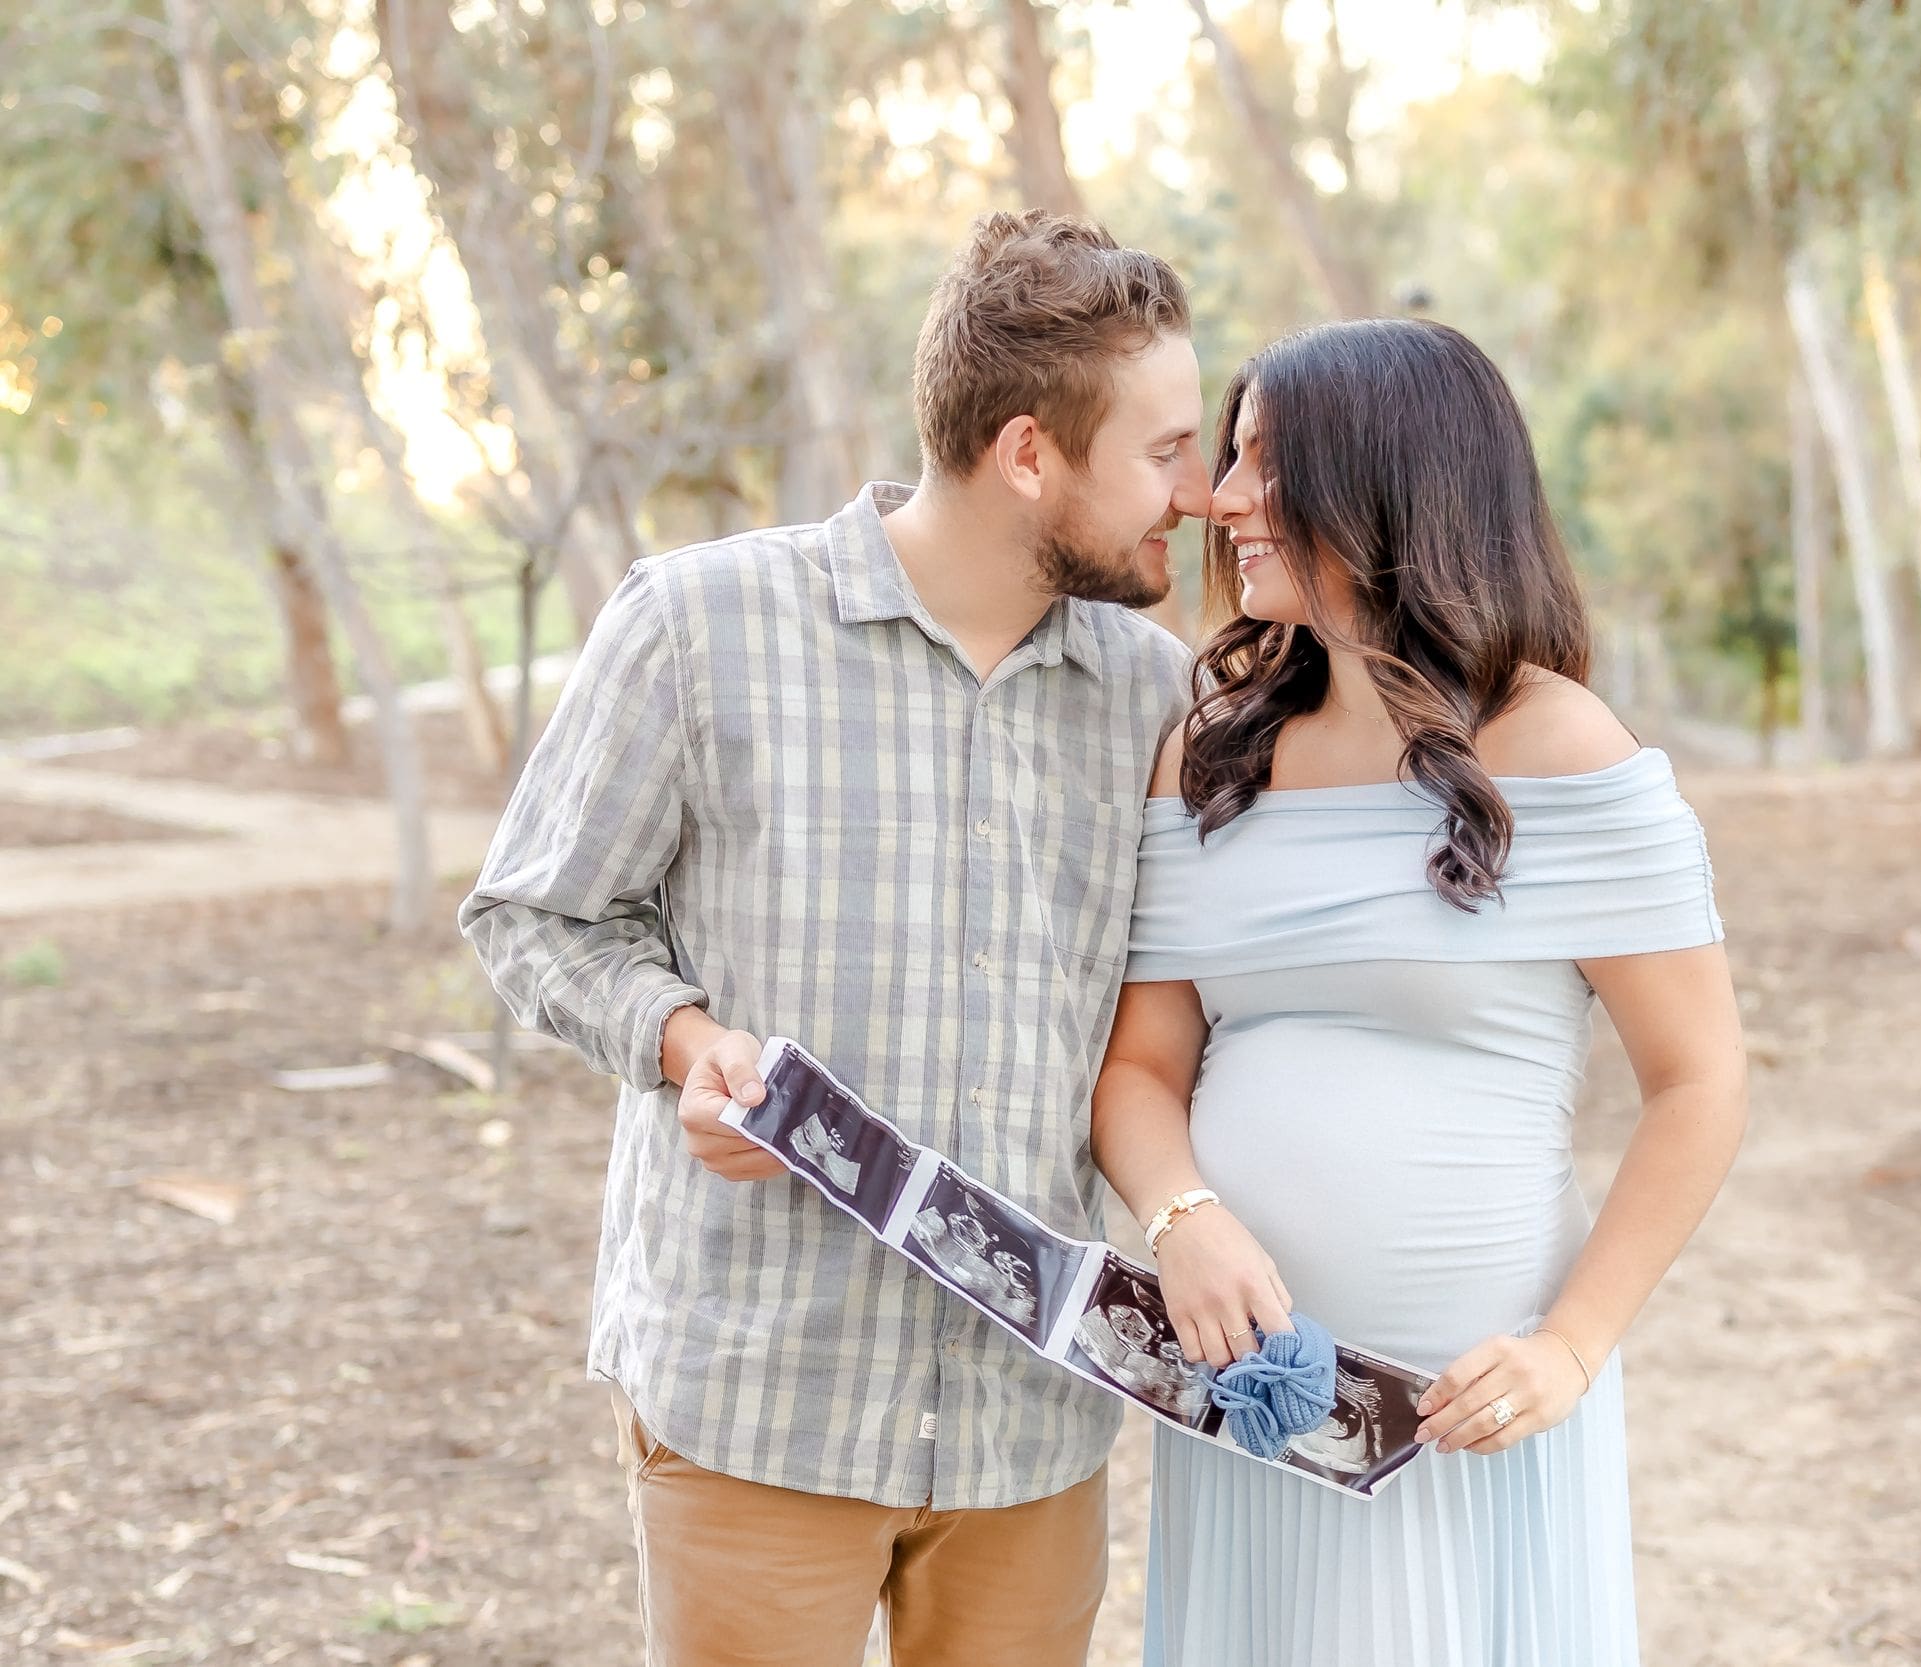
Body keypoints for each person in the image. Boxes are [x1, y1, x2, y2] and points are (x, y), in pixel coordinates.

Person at [459, 210, 1208, 1667]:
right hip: (759, 1397)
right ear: (1028, 452)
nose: (1197, 492)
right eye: (1165, 453)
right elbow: (534, 914)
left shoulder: (1152, 692)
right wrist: (685, 1042)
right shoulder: (698, 624)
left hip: (1028, 1425)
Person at [1091, 317, 1750, 1666]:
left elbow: (1699, 1084)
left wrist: (1569, 1349)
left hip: (1468, 1403)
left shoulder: (1561, 749)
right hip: (1254, 1401)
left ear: (1391, 482)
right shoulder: (1208, 756)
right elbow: (1140, 1070)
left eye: (1267, 462)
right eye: (1229, 455)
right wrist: (1183, 1216)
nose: (1223, 499)